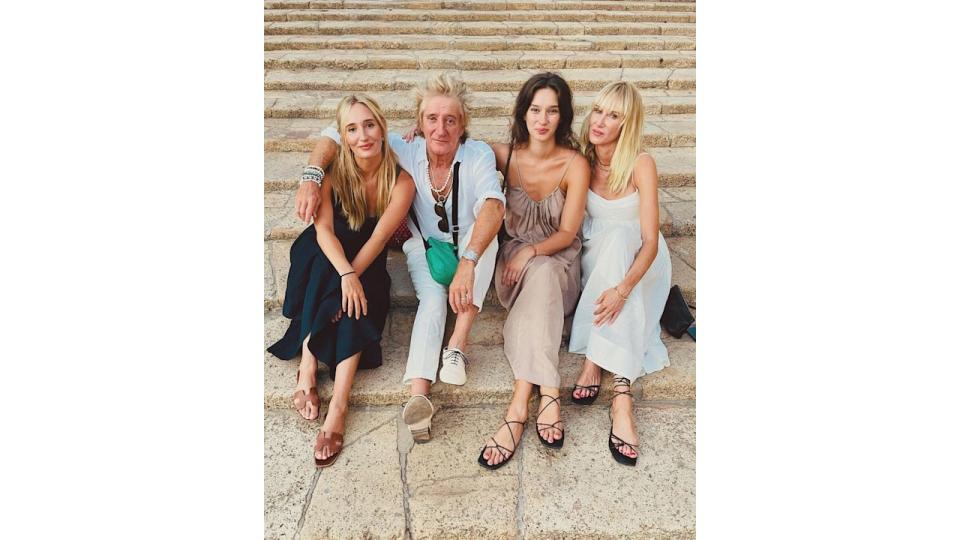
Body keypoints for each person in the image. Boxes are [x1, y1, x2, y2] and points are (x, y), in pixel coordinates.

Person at [292, 73, 506, 443]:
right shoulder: (404, 147)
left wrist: (468, 261)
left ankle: (456, 345)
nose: (441, 129)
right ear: (419, 124)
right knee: (433, 300)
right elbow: (335, 132)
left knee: (481, 242)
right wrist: (312, 176)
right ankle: (419, 396)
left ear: (463, 124)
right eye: (432, 119)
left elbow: (493, 203)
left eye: (450, 120)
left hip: (471, 248)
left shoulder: (477, 154)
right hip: (424, 244)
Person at [267, 95, 415, 468]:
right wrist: (345, 275)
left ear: (382, 128)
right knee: (325, 268)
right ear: (343, 136)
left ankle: (339, 404)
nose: (362, 135)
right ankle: (307, 367)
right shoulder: (334, 173)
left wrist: (354, 278)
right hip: (326, 249)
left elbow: (379, 240)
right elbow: (323, 233)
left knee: (358, 300)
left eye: (368, 125)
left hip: (367, 254)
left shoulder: (401, 181)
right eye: (352, 129)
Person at [475, 73, 589, 469]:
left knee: (542, 271)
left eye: (552, 111)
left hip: (559, 264)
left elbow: (568, 233)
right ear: (523, 113)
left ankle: (520, 404)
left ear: (563, 116)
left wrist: (532, 252)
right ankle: (549, 394)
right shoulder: (505, 155)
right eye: (535, 109)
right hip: (514, 272)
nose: (543, 119)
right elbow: (450, 141)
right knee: (534, 274)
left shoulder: (575, 164)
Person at [567, 81, 672, 466]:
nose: (600, 121)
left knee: (621, 237)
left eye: (613, 115)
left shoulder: (641, 164)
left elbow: (650, 241)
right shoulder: (580, 158)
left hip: (640, 265)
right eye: (598, 111)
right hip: (597, 261)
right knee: (609, 241)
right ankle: (619, 390)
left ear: (627, 125)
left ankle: (609, 379)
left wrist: (624, 289)